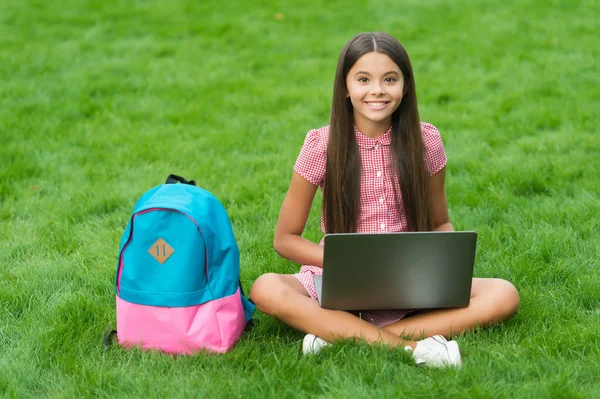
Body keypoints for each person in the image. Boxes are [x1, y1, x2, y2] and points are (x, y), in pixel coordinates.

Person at [249, 32, 520, 367]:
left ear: (405, 86)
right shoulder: (321, 144)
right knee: (266, 288)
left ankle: (338, 333)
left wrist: (443, 267)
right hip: (338, 276)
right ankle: (413, 346)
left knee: (504, 294)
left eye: (389, 79)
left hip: (408, 281)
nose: (377, 90)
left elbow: (439, 222)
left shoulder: (426, 140)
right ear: (345, 87)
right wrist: (339, 262)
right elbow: (285, 239)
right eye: (363, 79)